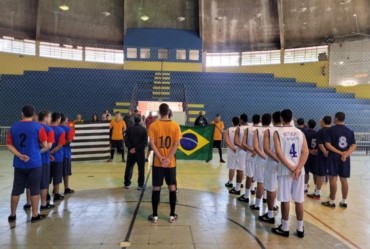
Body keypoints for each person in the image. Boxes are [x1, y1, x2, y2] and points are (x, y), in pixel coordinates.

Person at [6, 105, 48, 223]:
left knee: (16, 190)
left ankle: (12, 215)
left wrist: (19, 155)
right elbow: (45, 145)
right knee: (34, 189)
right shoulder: (38, 127)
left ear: (22, 113)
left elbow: (9, 144)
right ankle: (35, 215)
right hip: (34, 162)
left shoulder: (14, 127)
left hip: (19, 163)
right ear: (34, 114)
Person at [272, 109, 309, 238]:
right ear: (292, 117)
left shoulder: (278, 132)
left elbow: (278, 152)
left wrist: (291, 167)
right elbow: (305, 152)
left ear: (281, 118)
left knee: (285, 200)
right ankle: (300, 229)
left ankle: (285, 227)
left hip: (285, 171)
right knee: (299, 200)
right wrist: (298, 168)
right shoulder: (300, 132)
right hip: (299, 172)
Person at [147, 103, 182, 224]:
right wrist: (167, 158)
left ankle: (155, 215)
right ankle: (172, 215)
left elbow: (152, 144)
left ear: (159, 112)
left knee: (156, 187)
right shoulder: (175, 126)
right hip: (170, 163)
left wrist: (161, 158)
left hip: (158, 163)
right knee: (172, 187)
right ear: (168, 111)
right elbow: (176, 144)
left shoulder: (153, 125)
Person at [322, 112, 356, 208]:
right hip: (345, 158)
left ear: (336, 119)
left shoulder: (331, 130)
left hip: (333, 156)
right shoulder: (350, 131)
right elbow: (353, 145)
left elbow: (327, 144)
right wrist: (345, 154)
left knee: (333, 178)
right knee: (343, 179)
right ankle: (344, 201)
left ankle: (332, 201)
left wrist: (339, 152)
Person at [24, 111, 55, 211]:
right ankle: (44, 203)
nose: (50, 119)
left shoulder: (32, 127)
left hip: (30, 160)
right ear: (45, 118)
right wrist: (38, 153)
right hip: (43, 160)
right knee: (43, 183)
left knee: (29, 183)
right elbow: (48, 146)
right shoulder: (49, 129)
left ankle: (28, 203)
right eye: (49, 117)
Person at [259, 111, 281, 224]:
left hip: (273, 161)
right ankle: (275, 204)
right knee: (276, 186)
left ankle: (270, 214)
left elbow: (266, 149)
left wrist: (277, 158)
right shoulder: (285, 131)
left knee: (271, 188)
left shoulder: (269, 131)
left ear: (273, 119)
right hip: (284, 163)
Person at [250, 113, 271, 211]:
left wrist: (261, 154)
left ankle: (257, 204)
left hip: (261, 158)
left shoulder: (257, 131)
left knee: (260, 182)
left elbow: (256, 147)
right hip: (271, 158)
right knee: (271, 182)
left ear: (261, 120)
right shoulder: (274, 130)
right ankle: (270, 202)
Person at [307, 116, 332, 199]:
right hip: (332, 155)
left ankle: (317, 193)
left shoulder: (320, 132)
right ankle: (332, 194)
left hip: (322, 155)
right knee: (332, 175)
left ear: (323, 122)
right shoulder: (333, 130)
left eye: (320, 121)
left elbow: (320, 144)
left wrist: (323, 152)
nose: (319, 122)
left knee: (320, 174)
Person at [238, 114, 260, 203]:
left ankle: (246, 195)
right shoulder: (264, 130)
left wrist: (252, 150)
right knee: (260, 177)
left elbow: (243, 143)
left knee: (249, 175)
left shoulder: (249, 129)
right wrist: (257, 151)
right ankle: (257, 193)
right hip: (260, 156)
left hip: (250, 155)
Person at [124, 116, 148, 190]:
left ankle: (127, 183)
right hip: (140, 152)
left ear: (134, 121)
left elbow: (126, 140)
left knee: (129, 168)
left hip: (131, 152)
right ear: (140, 121)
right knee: (141, 168)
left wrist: (131, 148)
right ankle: (140, 184)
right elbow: (145, 142)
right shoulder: (144, 130)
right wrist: (137, 149)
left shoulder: (129, 129)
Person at [229, 114, 248, 194]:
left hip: (242, 151)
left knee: (240, 170)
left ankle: (237, 188)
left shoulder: (239, 129)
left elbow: (236, 142)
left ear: (242, 120)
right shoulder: (251, 128)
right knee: (250, 172)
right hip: (251, 152)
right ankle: (251, 190)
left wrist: (244, 147)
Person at [49, 113, 66, 202]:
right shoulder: (61, 130)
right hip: (57, 157)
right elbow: (60, 145)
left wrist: (47, 153)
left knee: (47, 176)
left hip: (46, 157)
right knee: (57, 176)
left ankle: (46, 194)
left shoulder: (45, 129)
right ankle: (56, 194)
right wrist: (51, 153)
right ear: (59, 119)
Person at [60, 114, 75, 195]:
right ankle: (66, 188)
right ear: (65, 120)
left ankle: (55, 189)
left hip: (55, 153)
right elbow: (69, 140)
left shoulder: (53, 128)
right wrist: (61, 144)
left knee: (55, 172)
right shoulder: (69, 129)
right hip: (65, 153)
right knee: (65, 171)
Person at [224, 117, 239, 193]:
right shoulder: (242, 130)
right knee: (240, 168)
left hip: (231, 150)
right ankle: (239, 184)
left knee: (231, 167)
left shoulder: (228, 130)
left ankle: (230, 182)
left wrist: (232, 147)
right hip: (240, 150)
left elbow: (226, 141)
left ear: (232, 122)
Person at [303, 119, 318, 193]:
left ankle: (305, 187)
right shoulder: (317, 133)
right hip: (315, 155)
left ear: (308, 125)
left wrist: (309, 150)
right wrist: (315, 150)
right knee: (315, 172)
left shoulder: (305, 133)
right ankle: (316, 188)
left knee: (306, 172)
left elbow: (303, 145)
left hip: (307, 155)